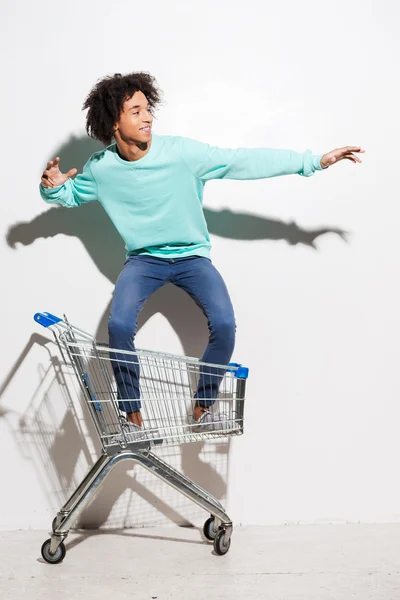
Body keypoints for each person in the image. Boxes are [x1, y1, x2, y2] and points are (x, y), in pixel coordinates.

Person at [40, 71, 364, 436]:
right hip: (144, 261)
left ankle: (202, 408)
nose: (147, 118)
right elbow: (68, 196)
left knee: (225, 325)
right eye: (136, 111)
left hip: (193, 258)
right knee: (118, 326)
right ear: (114, 121)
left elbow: (240, 161)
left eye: (148, 109)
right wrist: (51, 189)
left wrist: (314, 162)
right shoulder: (101, 170)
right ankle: (131, 416)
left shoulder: (181, 153)